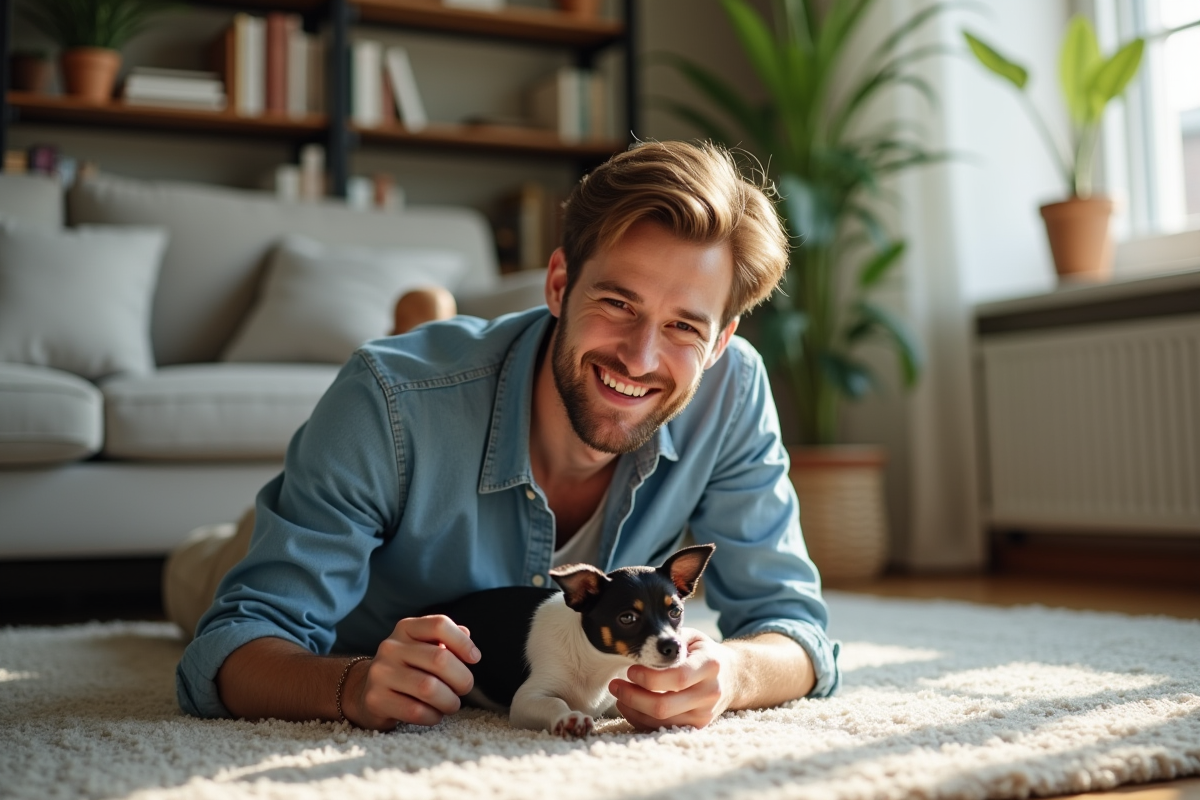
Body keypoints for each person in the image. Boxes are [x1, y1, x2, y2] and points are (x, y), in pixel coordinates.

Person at [171, 140, 841, 733]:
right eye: (617, 303)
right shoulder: (388, 397)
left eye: (683, 327)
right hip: (278, 560)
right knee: (203, 576)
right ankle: (203, 552)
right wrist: (350, 684)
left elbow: (794, 627)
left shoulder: (732, 392)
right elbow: (236, 642)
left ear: (721, 341)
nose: (639, 359)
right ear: (558, 284)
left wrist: (730, 673)